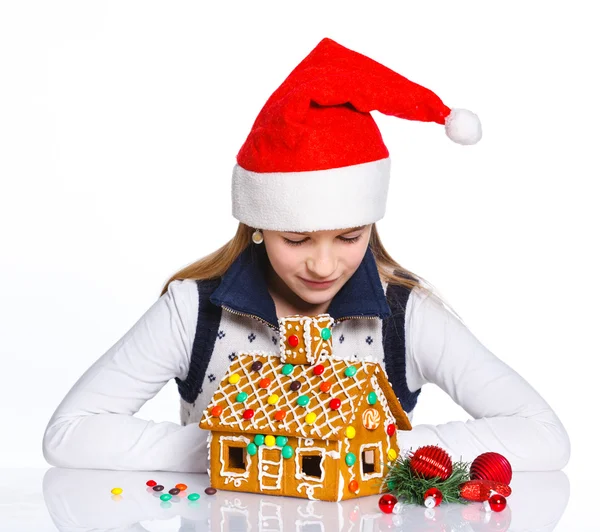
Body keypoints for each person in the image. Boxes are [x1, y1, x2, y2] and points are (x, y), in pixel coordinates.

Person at [42, 37, 570, 474]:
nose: (323, 265)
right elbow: (69, 433)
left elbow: (544, 436)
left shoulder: (405, 317)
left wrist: (368, 448)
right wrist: (236, 448)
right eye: (296, 240)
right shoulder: (193, 311)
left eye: (348, 237)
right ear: (258, 226)